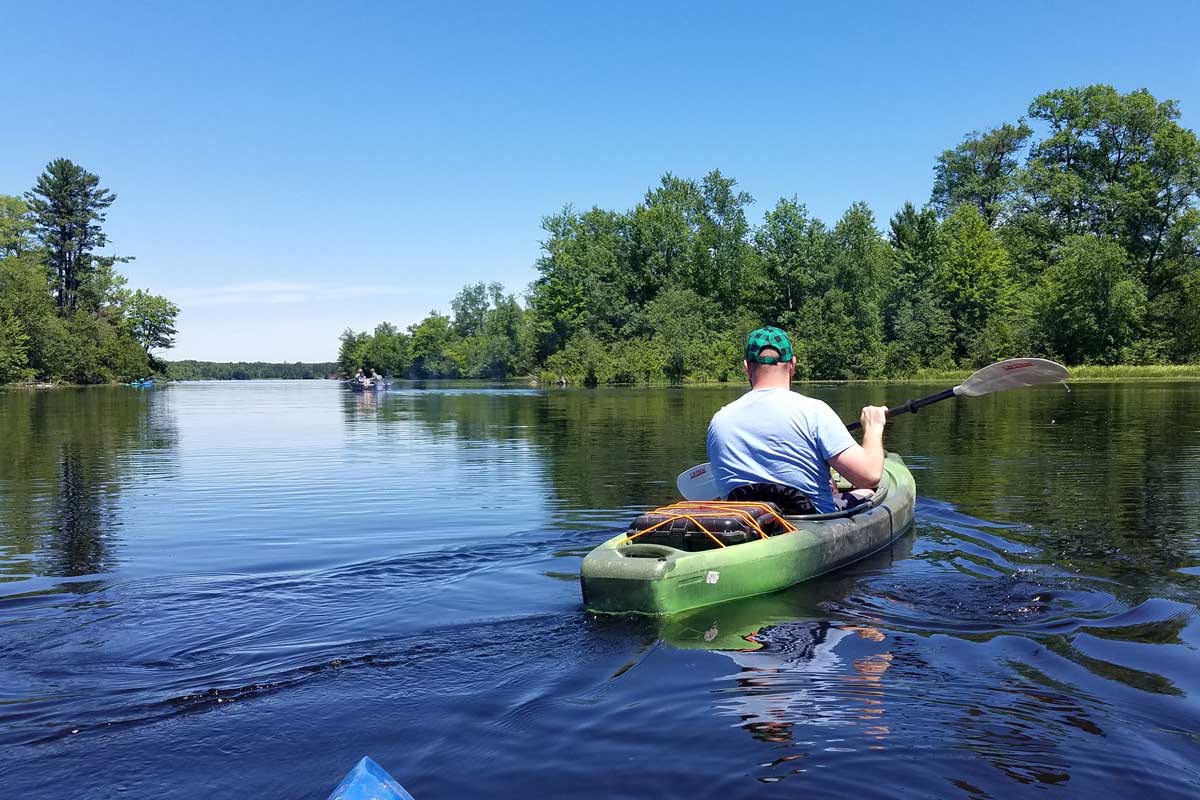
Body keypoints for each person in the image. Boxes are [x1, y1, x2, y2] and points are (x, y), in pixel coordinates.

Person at [706, 326, 888, 514]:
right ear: (792, 365)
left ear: (746, 367)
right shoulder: (815, 412)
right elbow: (869, 476)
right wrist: (873, 427)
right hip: (812, 525)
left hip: (745, 527)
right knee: (866, 491)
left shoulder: (719, 421)